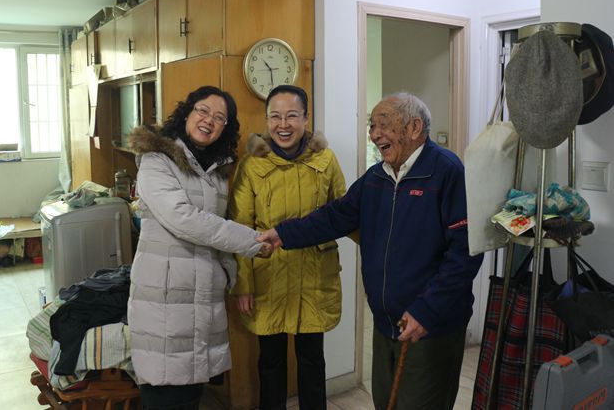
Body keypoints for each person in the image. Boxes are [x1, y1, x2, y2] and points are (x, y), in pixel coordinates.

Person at [258, 92, 484, 410]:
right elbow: (335, 216)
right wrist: (283, 234)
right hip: (386, 322)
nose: (374, 134)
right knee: (385, 402)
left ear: (414, 127)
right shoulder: (376, 177)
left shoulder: (446, 171)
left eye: (383, 125)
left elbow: (465, 252)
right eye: (371, 126)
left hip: (430, 325)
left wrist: (428, 310)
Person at [126, 86, 271, 410]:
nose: (209, 120)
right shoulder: (156, 160)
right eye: (203, 111)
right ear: (187, 113)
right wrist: (251, 241)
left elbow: (217, 225)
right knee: (164, 391)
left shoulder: (216, 171)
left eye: (220, 118)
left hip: (201, 297)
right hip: (166, 296)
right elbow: (184, 219)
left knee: (191, 392)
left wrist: (227, 270)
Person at [229, 85, 347, 410]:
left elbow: (344, 214)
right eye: (275, 117)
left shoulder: (326, 160)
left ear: (306, 119)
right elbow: (239, 228)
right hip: (269, 278)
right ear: (266, 120)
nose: (283, 125)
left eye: (292, 116)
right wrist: (243, 285)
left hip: (314, 277)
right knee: (270, 362)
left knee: (312, 359)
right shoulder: (251, 165)